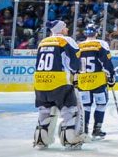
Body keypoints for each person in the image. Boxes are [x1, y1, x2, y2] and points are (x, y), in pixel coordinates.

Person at [32, 20, 85, 149]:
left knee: (45, 111)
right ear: (61, 29)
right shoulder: (66, 40)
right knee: (70, 111)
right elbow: (75, 60)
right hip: (59, 81)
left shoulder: (43, 42)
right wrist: (76, 73)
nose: (67, 29)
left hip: (40, 81)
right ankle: (70, 139)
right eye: (65, 27)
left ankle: (41, 138)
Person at [76, 23, 116, 139]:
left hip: (83, 80)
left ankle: (84, 130)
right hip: (98, 80)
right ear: (97, 33)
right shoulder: (101, 44)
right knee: (101, 105)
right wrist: (111, 76)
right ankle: (97, 130)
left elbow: (75, 64)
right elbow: (107, 62)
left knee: (86, 106)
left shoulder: (79, 45)